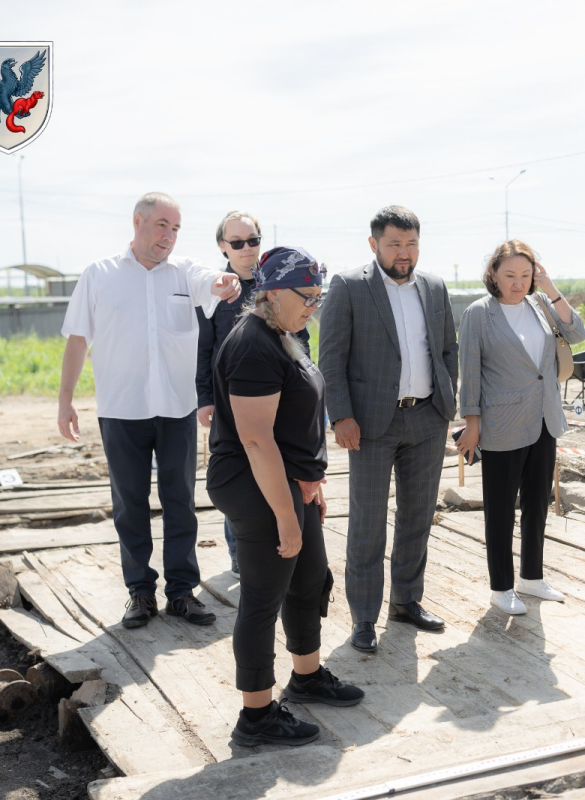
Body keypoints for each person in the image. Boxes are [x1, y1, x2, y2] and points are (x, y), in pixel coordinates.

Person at [57, 192, 241, 628]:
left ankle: (181, 592)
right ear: (137, 222)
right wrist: (65, 401)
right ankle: (140, 593)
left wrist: (225, 282)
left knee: (181, 502)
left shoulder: (186, 271)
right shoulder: (99, 274)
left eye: (176, 228)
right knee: (129, 505)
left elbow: (214, 280)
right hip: (122, 409)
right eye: (162, 225)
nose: (170, 236)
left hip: (176, 409)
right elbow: (78, 340)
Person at [206, 246, 364, 747]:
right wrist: (285, 517)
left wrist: (309, 486)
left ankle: (307, 675)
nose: (313, 306)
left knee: (309, 579)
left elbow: (294, 419)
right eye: (307, 296)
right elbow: (256, 440)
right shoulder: (253, 343)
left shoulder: (285, 332)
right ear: (273, 292)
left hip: (289, 483)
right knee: (262, 597)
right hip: (255, 484)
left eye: (319, 297)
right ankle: (256, 715)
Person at [318, 206, 458, 654]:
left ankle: (405, 601)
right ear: (374, 243)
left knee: (417, 517)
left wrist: (446, 402)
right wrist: (339, 416)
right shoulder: (349, 286)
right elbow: (331, 357)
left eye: (411, 243)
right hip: (370, 423)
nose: (404, 252)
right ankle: (363, 617)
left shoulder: (433, 287)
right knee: (367, 524)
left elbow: (448, 349)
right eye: (395, 243)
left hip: (427, 419)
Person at [454, 241, 585, 615]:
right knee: (500, 509)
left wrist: (549, 288)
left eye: (526, 275)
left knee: (537, 503)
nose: (518, 283)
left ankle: (532, 577)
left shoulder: (541, 304)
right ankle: (501, 587)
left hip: (544, 417)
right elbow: (471, 373)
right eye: (510, 275)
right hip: (501, 423)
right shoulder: (479, 314)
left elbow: (577, 334)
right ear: (493, 273)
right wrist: (472, 424)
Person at [196, 210, 310, 578]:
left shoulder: (280, 283)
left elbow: (300, 340)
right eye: (238, 242)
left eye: (253, 240)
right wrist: (205, 398)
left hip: (278, 393)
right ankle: (240, 553)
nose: (247, 248)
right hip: (232, 398)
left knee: (277, 465)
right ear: (222, 246)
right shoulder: (215, 289)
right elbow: (204, 346)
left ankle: (281, 538)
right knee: (245, 470)